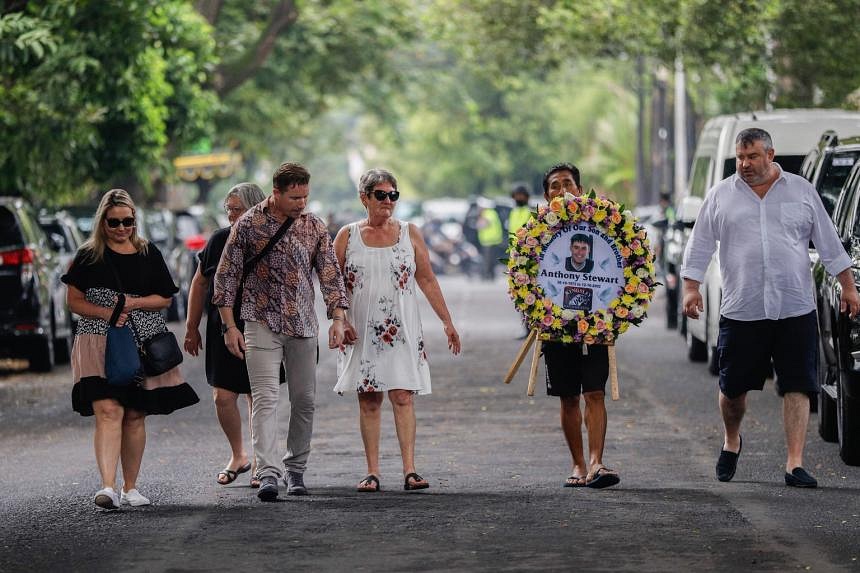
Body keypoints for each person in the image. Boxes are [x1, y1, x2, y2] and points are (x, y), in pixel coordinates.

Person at [681, 128, 860, 489]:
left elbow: (827, 239)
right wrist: (690, 288)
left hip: (795, 307)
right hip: (742, 309)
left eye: (752, 157)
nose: (744, 164)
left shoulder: (801, 191)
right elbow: (699, 244)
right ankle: (732, 440)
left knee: (797, 384)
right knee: (732, 390)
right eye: (740, 158)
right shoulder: (721, 196)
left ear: (770, 155)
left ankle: (794, 463)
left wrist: (848, 286)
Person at [212, 162, 349, 502]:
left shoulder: (314, 225)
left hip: (302, 324)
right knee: (265, 398)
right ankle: (268, 472)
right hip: (260, 322)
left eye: (305, 196)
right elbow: (225, 277)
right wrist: (230, 327)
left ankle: (296, 469)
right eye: (294, 197)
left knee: (304, 400)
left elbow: (330, 274)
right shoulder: (248, 224)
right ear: (276, 192)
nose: (301, 203)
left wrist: (338, 318)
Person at [62, 189, 199, 510]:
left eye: (129, 221)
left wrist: (133, 303)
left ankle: (130, 487)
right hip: (98, 342)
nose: (123, 228)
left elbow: (166, 297)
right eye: (115, 222)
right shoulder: (88, 256)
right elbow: (73, 301)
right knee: (108, 411)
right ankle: (107, 487)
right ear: (102, 222)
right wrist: (108, 312)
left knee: (136, 414)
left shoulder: (148, 253)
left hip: (143, 341)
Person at [333, 168, 461, 492]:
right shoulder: (347, 236)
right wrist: (338, 319)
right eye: (381, 195)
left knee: (403, 396)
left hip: (401, 327)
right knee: (370, 399)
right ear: (364, 197)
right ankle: (372, 471)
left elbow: (427, 278)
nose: (388, 201)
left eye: (393, 195)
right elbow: (332, 284)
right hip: (360, 328)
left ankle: (410, 470)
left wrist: (447, 322)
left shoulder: (409, 233)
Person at [184, 182, 269, 488]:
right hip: (222, 324)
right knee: (223, 395)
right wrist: (192, 327)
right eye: (229, 209)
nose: (232, 215)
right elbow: (199, 283)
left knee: (257, 394)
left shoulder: (267, 238)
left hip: (260, 323)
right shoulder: (219, 239)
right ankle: (238, 455)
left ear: (255, 209)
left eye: (238, 209)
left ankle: (262, 461)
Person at [540, 163, 620, 489]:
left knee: (596, 392)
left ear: (579, 188)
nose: (562, 190)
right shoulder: (538, 230)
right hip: (555, 325)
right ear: (547, 195)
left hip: (597, 322)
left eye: (568, 183)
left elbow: (620, 263)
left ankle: (597, 463)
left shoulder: (601, 222)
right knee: (569, 398)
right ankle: (577, 463)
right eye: (555, 186)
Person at [476, 198, 503, 280]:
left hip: (490, 241)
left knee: (488, 260)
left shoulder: (488, 213)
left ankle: (487, 275)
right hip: (490, 241)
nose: (478, 209)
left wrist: (479, 220)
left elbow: (483, 224)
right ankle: (490, 275)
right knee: (490, 260)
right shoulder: (491, 213)